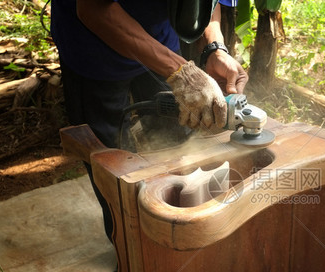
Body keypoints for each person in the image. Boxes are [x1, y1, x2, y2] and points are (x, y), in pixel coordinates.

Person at [51, 0, 248, 240]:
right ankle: (131, 253)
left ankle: (177, 237)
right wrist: (181, 71)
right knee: (113, 168)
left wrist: (215, 48)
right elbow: (93, 9)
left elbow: (208, 3)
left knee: (179, 146)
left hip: (159, 39)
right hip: (93, 49)